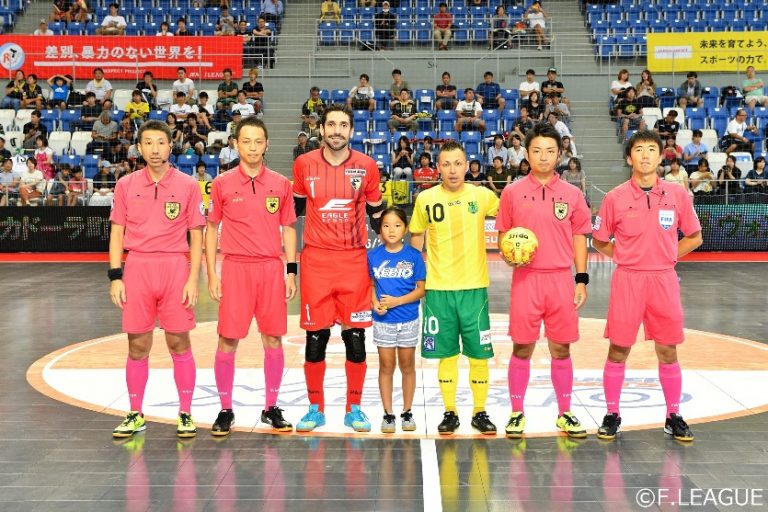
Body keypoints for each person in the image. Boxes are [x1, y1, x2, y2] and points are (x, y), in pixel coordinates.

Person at [592, 129, 703, 442]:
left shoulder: (677, 195)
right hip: (628, 279)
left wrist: (667, 256)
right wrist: (625, 256)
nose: (645, 155)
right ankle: (612, 413)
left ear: (660, 156)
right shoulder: (614, 198)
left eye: (651, 149)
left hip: (663, 280)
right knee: (618, 349)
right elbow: (599, 240)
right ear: (629, 158)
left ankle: (673, 415)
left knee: (667, 349)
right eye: (638, 149)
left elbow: (695, 237)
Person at [108, 120, 206, 439]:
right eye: (148, 143)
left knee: (179, 342)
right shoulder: (126, 185)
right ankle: (135, 413)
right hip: (137, 268)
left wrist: (193, 279)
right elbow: (117, 232)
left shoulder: (188, 185)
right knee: (137, 345)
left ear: (170, 146)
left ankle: (185, 413)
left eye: (160, 143)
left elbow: (196, 235)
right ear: (139, 148)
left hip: (174, 268)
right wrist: (116, 276)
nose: (154, 149)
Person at [495, 122, 591, 439]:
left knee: (561, 349)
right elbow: (503, 236)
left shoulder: (572, 194)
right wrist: (508, 254)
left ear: (559, 153)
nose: (544, 156)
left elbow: (580, 237)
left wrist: (581, 279)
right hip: (526, 280)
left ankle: (564, 413)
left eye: (550, 151)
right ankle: (516, 413)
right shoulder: (512, 192)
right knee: (522, 347)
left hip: (560, 280)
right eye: (537, 150)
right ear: (527, 153)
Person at [292, 104, 383, 433]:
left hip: (353, 261)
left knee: (355, 337)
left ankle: (353, 409)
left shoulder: (367, 166)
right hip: (316, 261)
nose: (336, 131)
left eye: (343, 125)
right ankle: (315, 409)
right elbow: (293, 214)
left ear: (351, 130)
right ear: (321, 128)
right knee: (315, 338)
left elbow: (377, 215)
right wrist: (288, 265)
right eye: (331, 124)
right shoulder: (304, 164)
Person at [205, 117, 297, 436]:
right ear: (236, 144)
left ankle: (271, 407)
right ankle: (225, 409)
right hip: (235, 268)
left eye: (258, 141)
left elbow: (288, 228)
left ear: (267, 144)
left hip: (270, 268)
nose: (253, 147)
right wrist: (212, 274)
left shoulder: (281, 184)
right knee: (227, 338)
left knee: (273, 338)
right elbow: (211, 229)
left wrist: (291, 271)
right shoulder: (222, 183)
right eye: (246, 141)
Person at [409, 140, 500, 435]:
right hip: (439, 290)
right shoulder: (426, 199)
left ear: (467, 165)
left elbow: (510, 213)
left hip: (474, 289)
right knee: (446, 355)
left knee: (479, 354)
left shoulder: (482, 196)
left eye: (458, 163)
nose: (452, 170)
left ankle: (479, 412)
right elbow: (416, 237)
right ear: (438, 167)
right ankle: (450, 412)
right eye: (446, 164)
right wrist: (415, 277)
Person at [368, 207, 426, 432]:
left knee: (407, 365)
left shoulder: (414, 256)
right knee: (386, 365)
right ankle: (388, 414)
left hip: (408, 319)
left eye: (397, 225)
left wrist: (397, 301)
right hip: (383, 321)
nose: (391, 230)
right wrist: (374, 302)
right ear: (380, 230)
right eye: (386, 226)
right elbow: (370, 285)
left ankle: (407, 412)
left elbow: (421, 289)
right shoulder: (373, 256)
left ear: (405, 229)